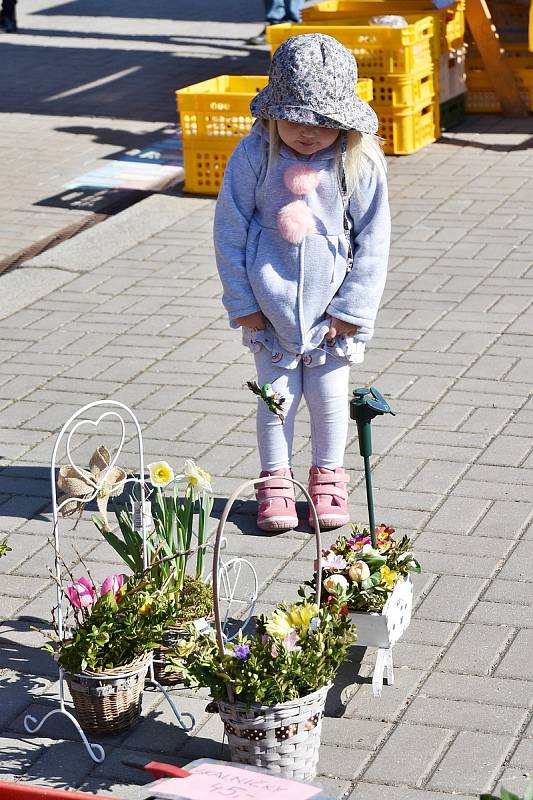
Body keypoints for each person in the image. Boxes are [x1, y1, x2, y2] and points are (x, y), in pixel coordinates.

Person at [213, 34, 390, 533]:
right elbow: (229, 230)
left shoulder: (357, 162)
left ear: (345, 122)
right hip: (268, 310)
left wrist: (352, 309)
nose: (308, 133)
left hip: (332, 314)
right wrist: (243, 302)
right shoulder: (254, 156)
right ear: (273, 113)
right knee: (276, 399)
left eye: (323, 122)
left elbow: (374, 239)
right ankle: (275, 481)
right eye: (295, 119)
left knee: (329, 398)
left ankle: (329, 478)